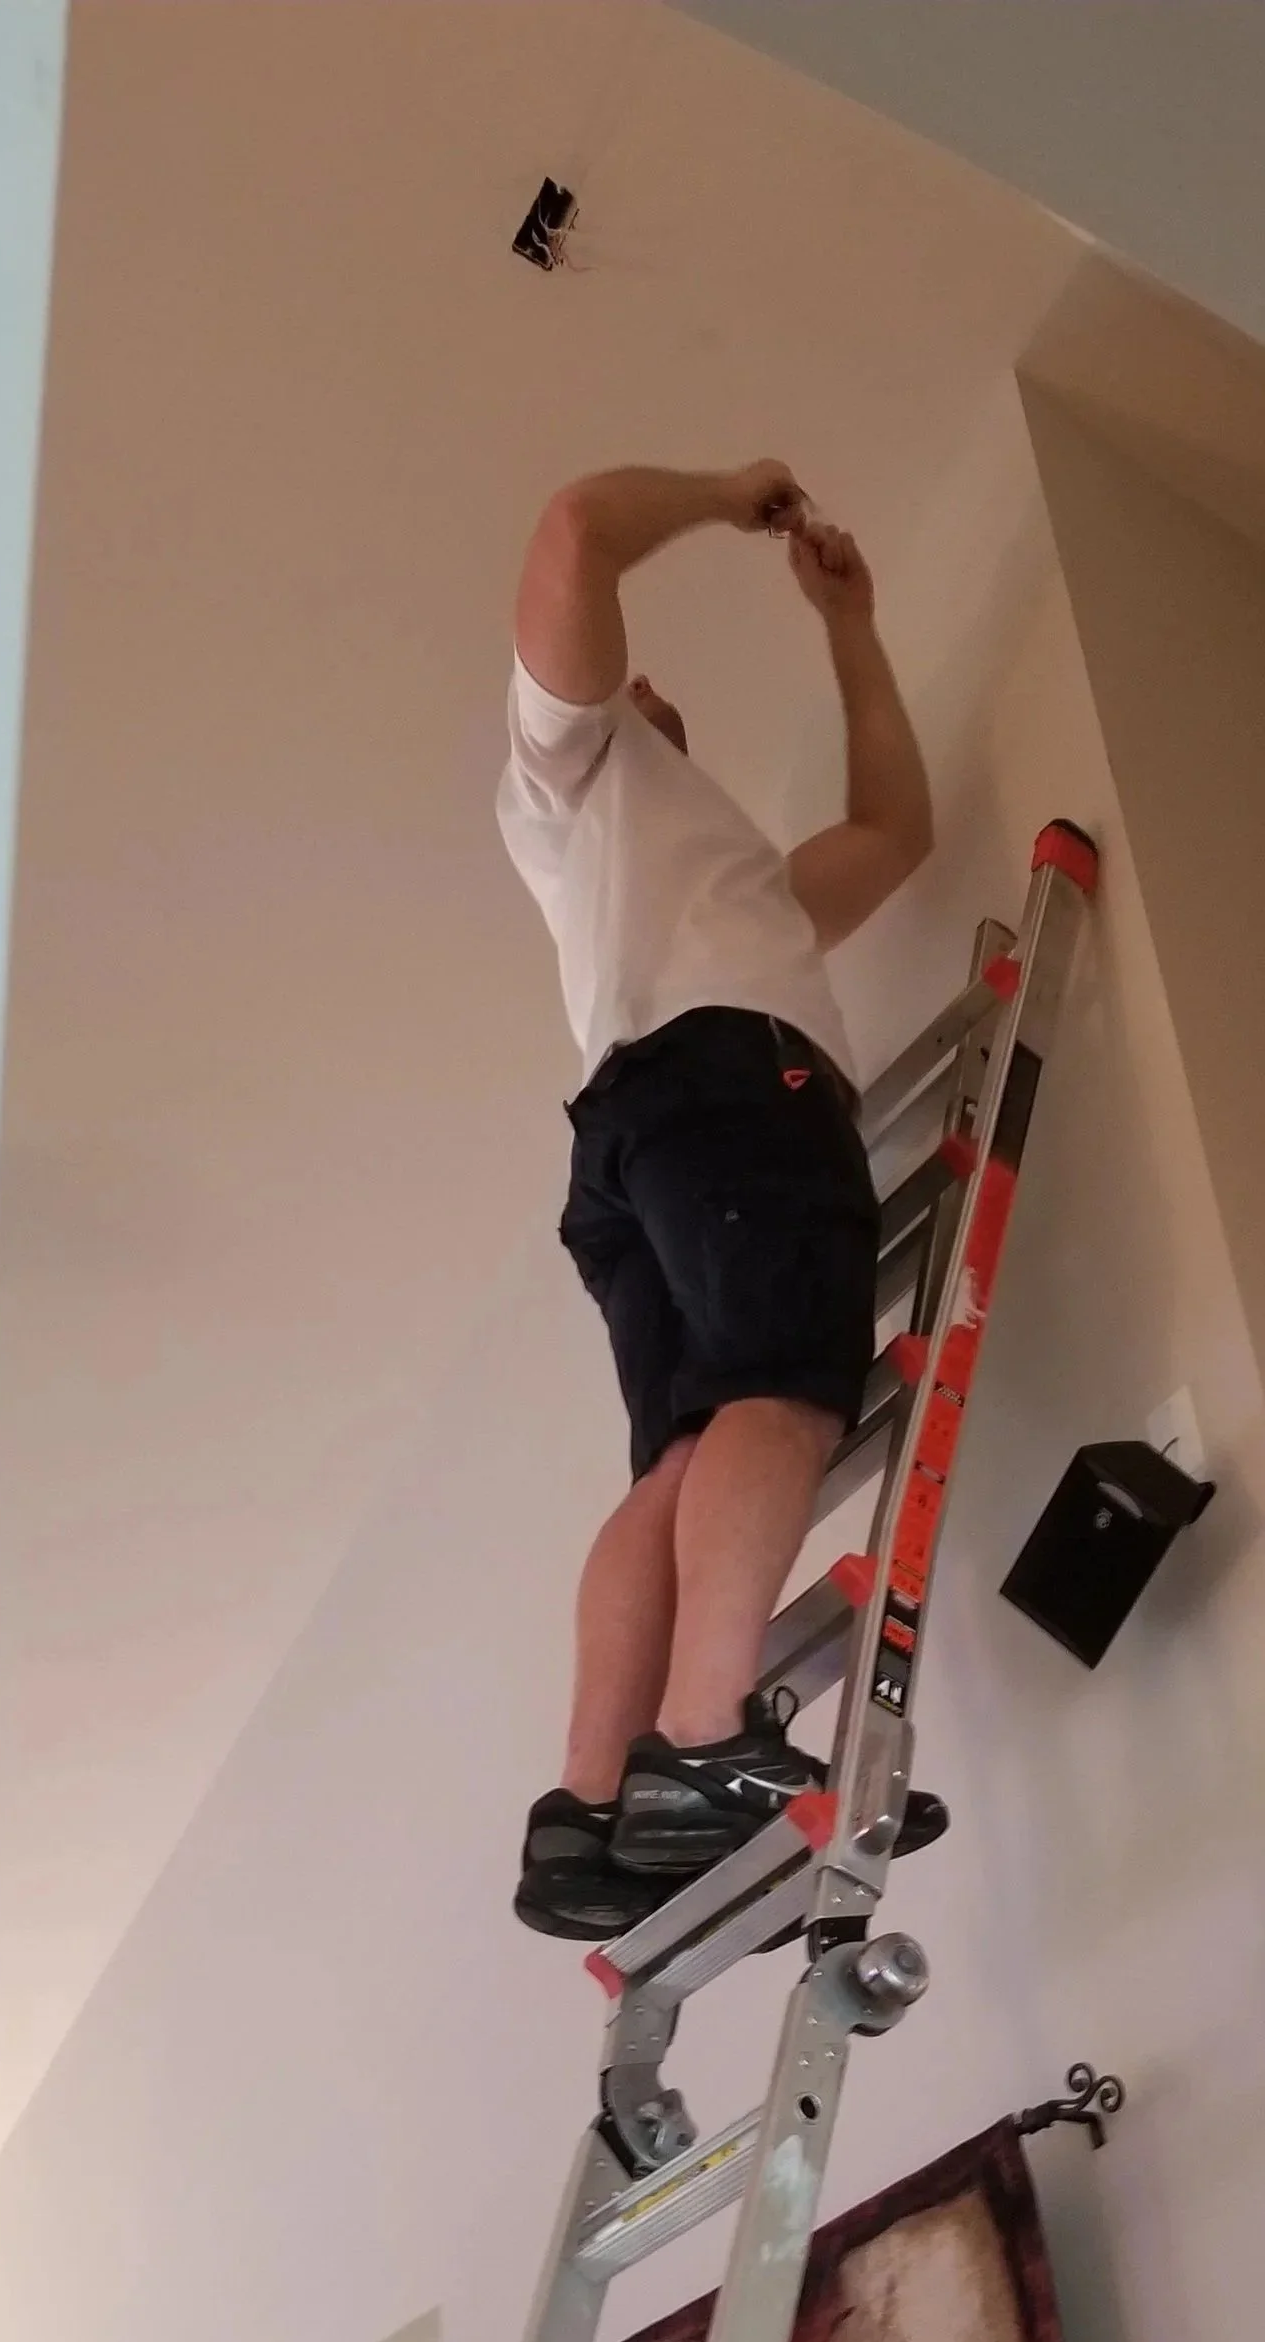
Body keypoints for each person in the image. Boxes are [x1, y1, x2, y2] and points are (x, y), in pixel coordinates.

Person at [496, 460, 947, 1940]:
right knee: (780, 1392)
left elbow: (893, 835)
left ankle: (586, 1814)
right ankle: (703, 1754)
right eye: (637, 697)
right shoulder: (565, 780)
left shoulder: (725, 883)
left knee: (685, 1462)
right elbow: (575, 530)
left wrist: (848, 625)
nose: (658, 707)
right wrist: (721, 494)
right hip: (720, 1091)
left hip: (636, 1142)